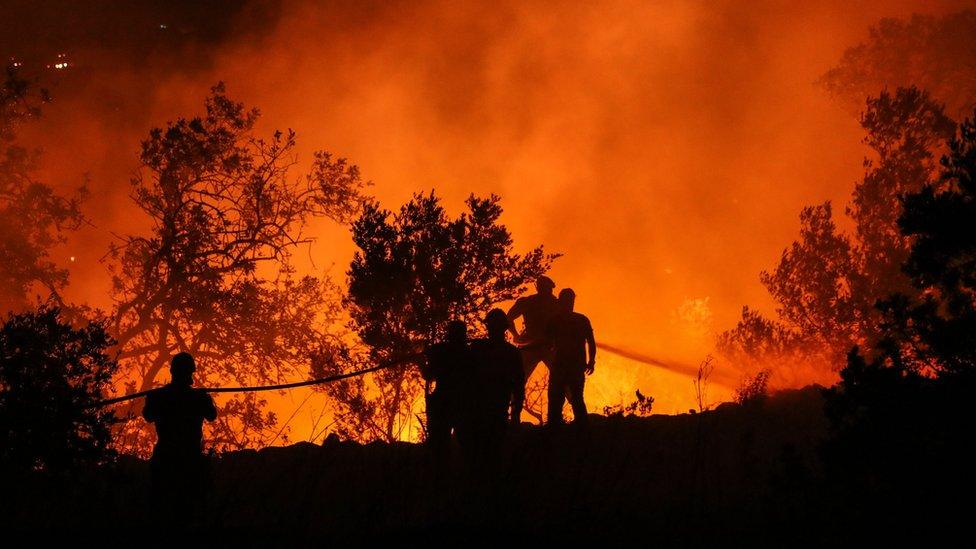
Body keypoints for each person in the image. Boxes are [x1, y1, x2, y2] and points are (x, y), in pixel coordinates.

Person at [143, 352, 218, 517]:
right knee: (187, 511)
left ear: (172, 372)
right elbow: (212, 415)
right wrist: (205, 398)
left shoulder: (159, 397)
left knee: (162, 510)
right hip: (188, 459)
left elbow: (148, 415)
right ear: (190, 373)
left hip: (166, 457)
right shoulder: (198, 397)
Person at [462, 309, 525, 467]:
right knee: (489, 451)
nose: (493, 329)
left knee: (486, 451)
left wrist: (516, 409)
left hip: (489, 407)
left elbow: (518, 383)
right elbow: (518, 384)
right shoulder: (510, 352)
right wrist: (516, 410)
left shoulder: (478, 348)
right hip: (485, 408)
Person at [421, 320, 470, 465]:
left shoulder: (440, 351)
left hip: (443, 404)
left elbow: (428, 375)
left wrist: (422, 361)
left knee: (440, 447)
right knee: (465, 447)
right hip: (463, 404)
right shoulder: (469, 353)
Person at [545, 288, 596, 426]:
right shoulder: (581, 319)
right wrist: (591, 362)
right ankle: (581, 429)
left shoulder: (555, 320)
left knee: (558, 399)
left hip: (562, 367)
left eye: (571, 300)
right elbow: (591, 342)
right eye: (569, 300)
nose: (570, 303)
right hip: (573, 367)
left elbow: (546, 344)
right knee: (576, 398)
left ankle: (554, 429)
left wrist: (591, 361)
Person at [507, 275, 560, 385]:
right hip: (533, 346)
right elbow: (508, 318)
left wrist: (517, 336)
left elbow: (508, 318)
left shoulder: (556, 304)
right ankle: (513, 400)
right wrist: (516, 336)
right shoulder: (528, 302)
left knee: (562, 378)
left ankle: (573, 400)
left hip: (548, 346)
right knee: (518, 379)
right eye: (546, 288)